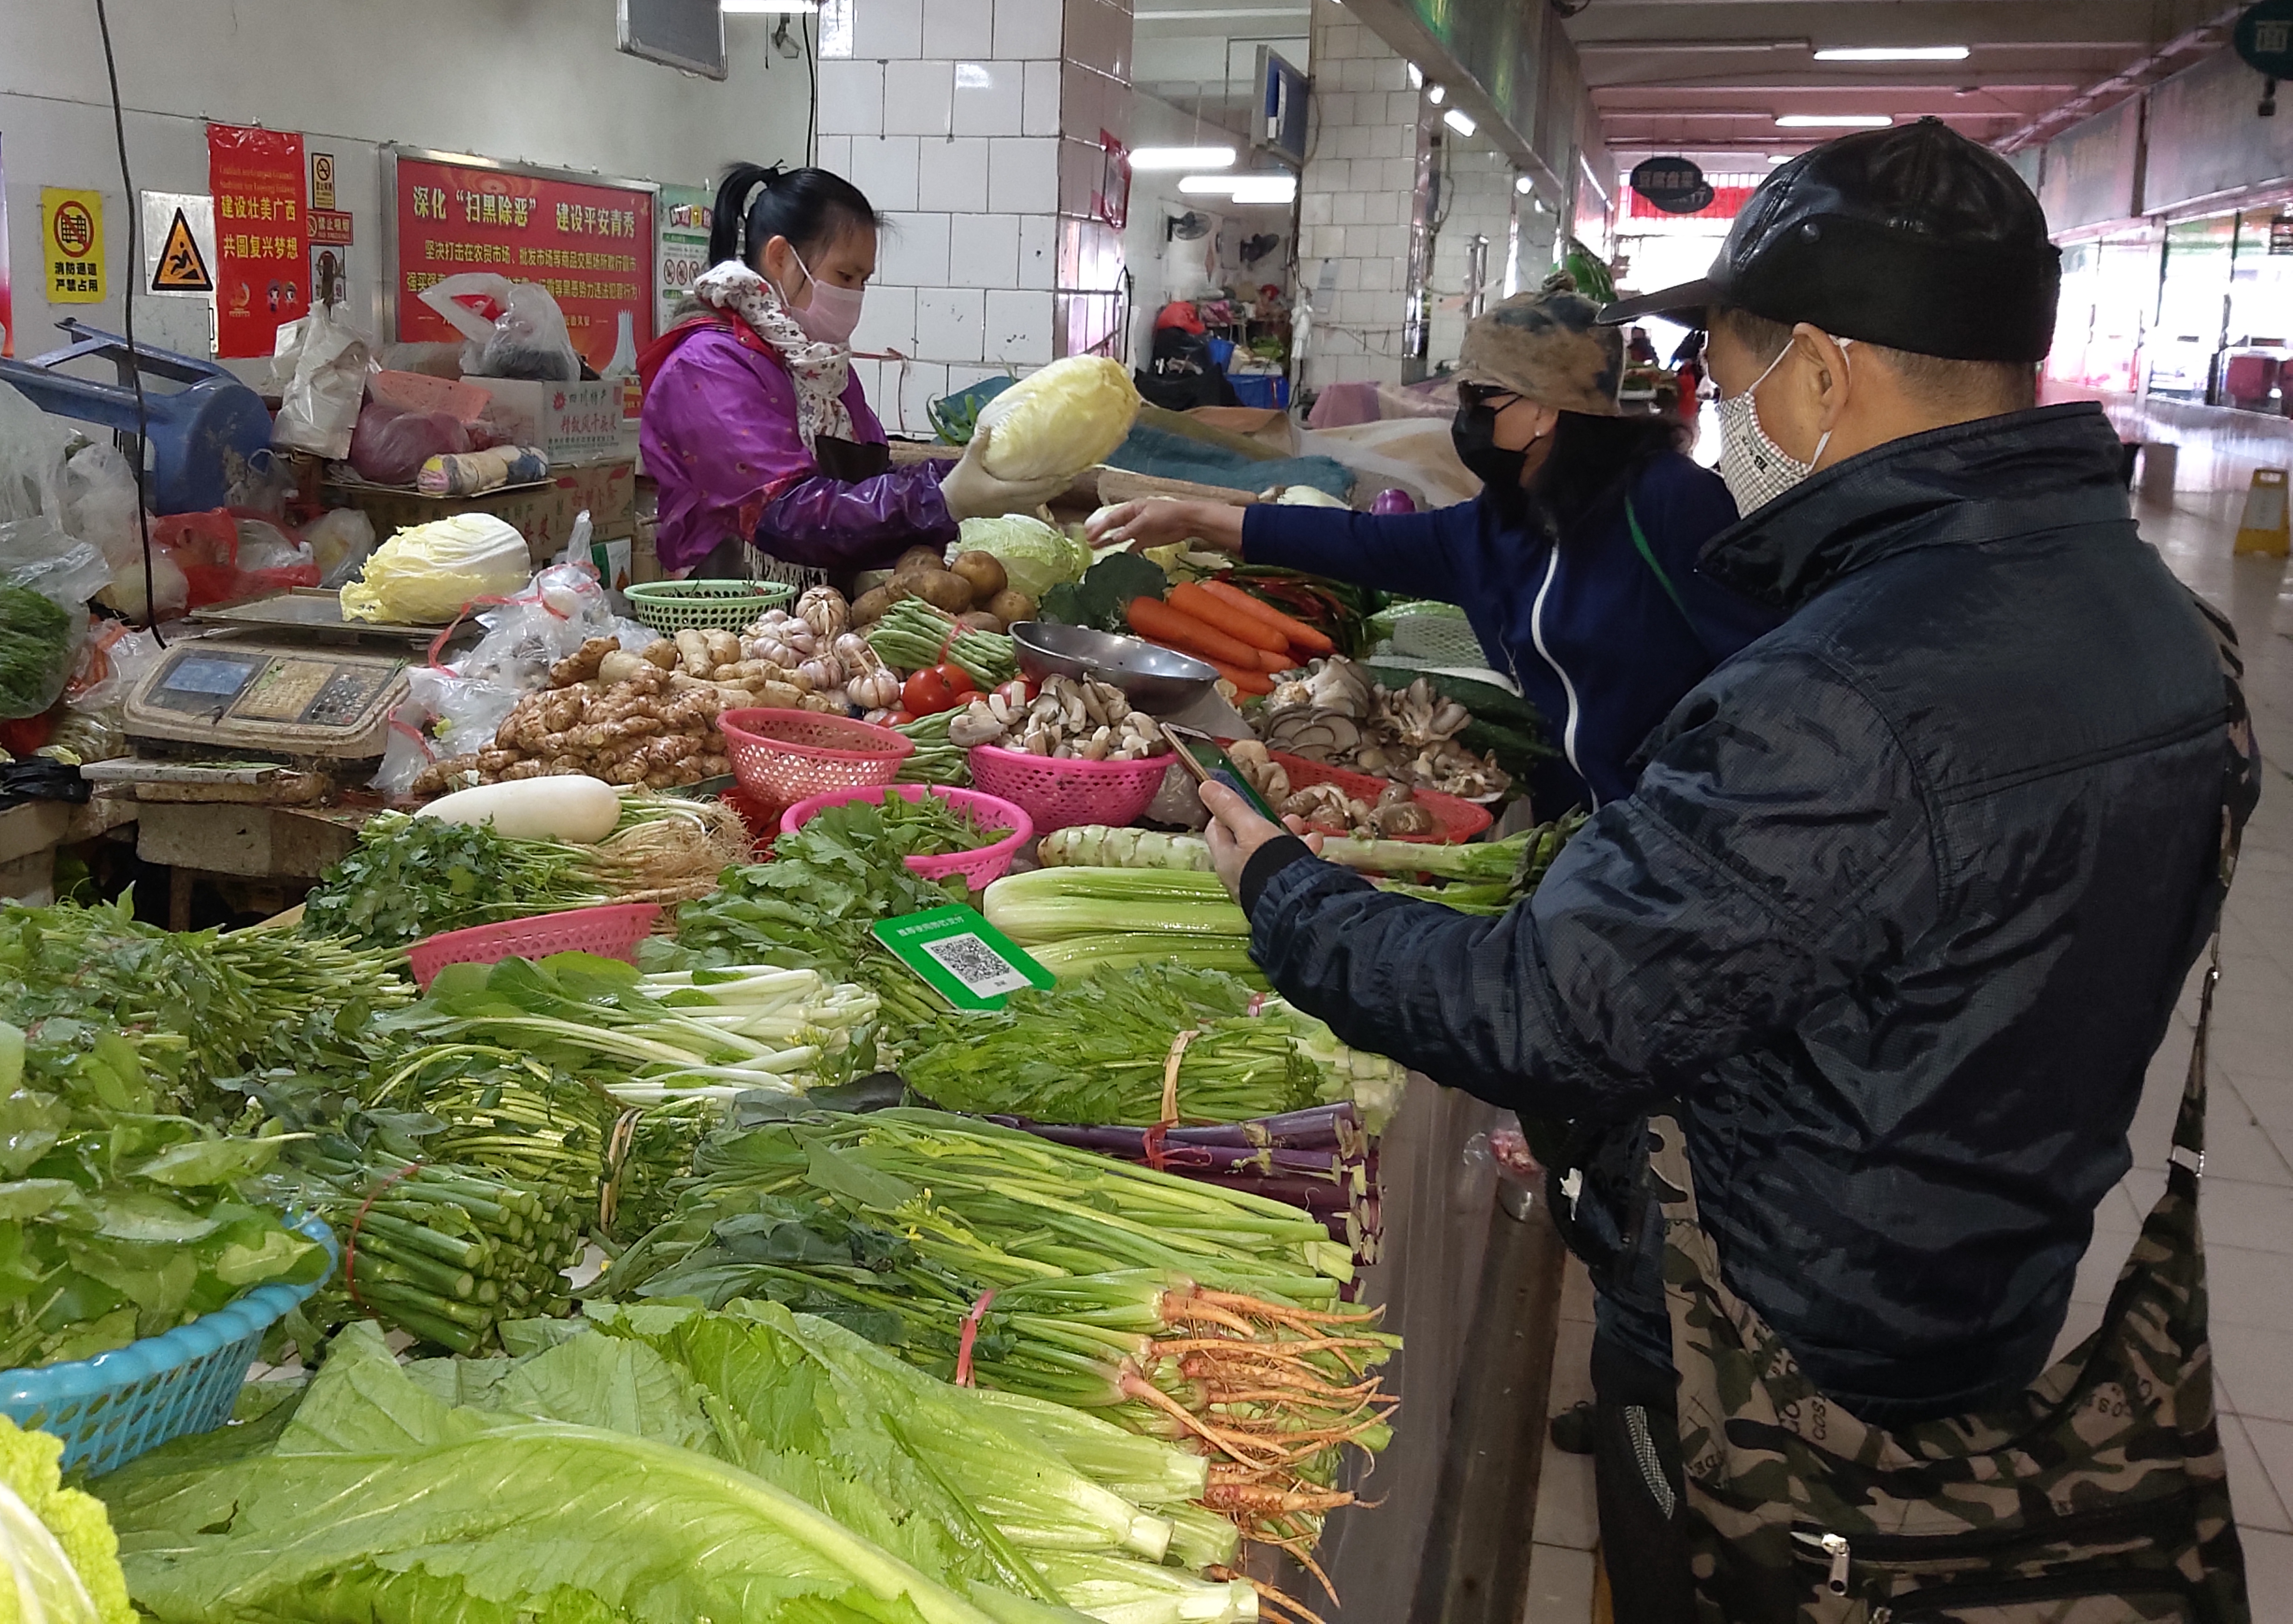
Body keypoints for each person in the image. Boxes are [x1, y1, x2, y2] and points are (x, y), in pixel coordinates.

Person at [1193, 121, 2250, 1619]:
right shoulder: (2161, 625)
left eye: (1733, 367)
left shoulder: (1846, 691)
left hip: (1815, 1383)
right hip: (2038, 1296)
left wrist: (1283, 891)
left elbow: (1546, 1010)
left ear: (1820, 374)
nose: (1716, 407)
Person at [1087, 274, 1782, 813]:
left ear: (1544, 411)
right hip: (1580, 825)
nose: (1464, 416)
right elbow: (1361, 543)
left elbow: (1765, 673)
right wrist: (1196, 517)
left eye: (1481, 398)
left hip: (1671, 827)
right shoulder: (1501, 524)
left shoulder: (1666, 501)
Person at [637, 163, 1058, 582]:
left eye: (864, 280)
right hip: (730, 622)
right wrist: (941, 498)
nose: (855, 295)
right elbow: (782, 513)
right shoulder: (708, 364)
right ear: (781, 257)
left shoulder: (820, 367)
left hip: (823, 613)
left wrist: (969, 476)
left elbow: (869, 483)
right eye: (845, 275)